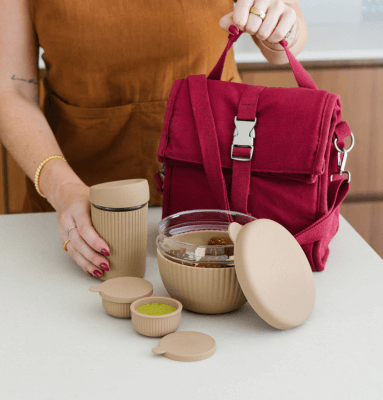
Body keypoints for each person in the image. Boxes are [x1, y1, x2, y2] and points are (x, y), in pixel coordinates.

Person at [0, 0, 308, 279]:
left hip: (219, 204)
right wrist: (62, 188)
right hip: (79, 213)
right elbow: (11, 89)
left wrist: (280, 25)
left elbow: (283, 45)